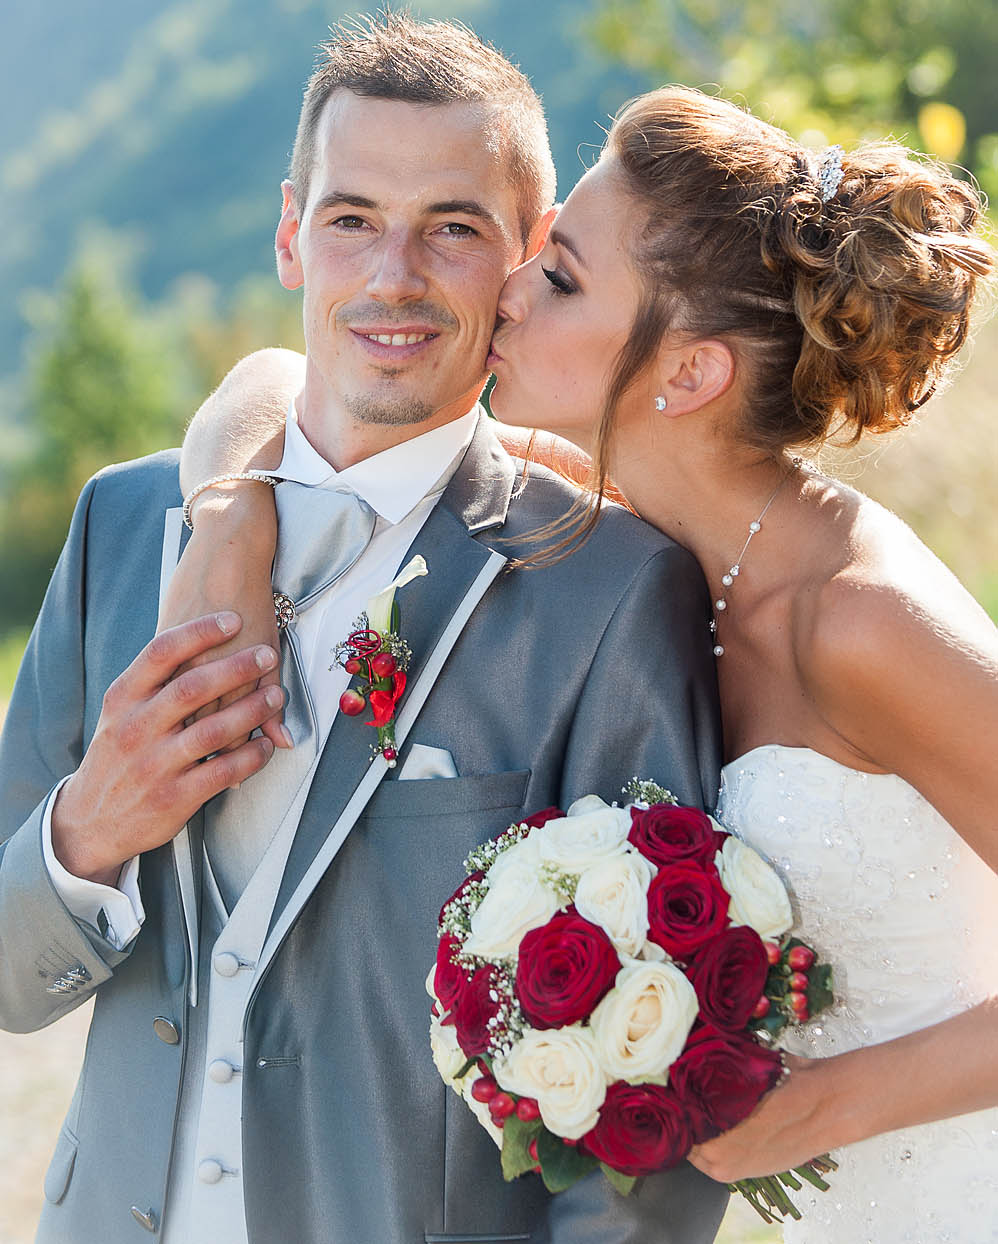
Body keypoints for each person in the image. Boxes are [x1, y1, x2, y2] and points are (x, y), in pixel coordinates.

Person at [190, 85, 998, 1242]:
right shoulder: (637, 516)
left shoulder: (855, 619)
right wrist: (226, 524)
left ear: (687, 376)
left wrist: (815, 1106)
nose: (505, 293)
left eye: (559, 277)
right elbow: (274, 381)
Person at [0, 15, 728, 1244]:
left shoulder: (606, 588)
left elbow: (651, 1119)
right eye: (351, 219)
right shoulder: (128, 523)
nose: (393, 274)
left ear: (527, 255)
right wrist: (87, 830)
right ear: (291, 232)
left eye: (452, 226)